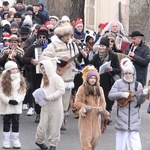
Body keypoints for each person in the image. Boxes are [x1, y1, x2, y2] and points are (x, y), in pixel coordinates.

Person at [40, 22, 79, 130]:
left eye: (69, 35)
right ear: (60, 36)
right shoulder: (53, 45)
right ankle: (54, 121)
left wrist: (82, 55)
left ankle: (62, 119)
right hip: (57, 77)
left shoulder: (72, 45)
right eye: (66, 36)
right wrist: (56, 62)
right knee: (56, 101)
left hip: (69, 77)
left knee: (66, 102)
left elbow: (76, 59)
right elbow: (44, 58)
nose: (68, 37)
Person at [108, 57, 149, 150]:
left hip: (134, 119)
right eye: (126, 73)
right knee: (121, 146)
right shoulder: (118, 83)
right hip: (122, 118)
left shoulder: (137, 85)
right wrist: (121, 94)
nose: (128, 75)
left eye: (130, 73)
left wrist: (144, 95)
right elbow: (110, 95)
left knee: (136, 146)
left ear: (133, 74)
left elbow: (140, 102)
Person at [83, 36, 121, 121]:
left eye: (103, 46)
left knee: (108, 99)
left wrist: (112, 69)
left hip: (108, 81)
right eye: (100, 46)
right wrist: (85, 57)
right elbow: (90, 65)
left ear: (107, 47)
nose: (101, 48)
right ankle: (101, 114)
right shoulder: (96, 56)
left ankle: (107, 114)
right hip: (99, 81)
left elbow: (118, 69)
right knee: (99, 97)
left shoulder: (113, 56)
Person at [35, 58, 65, 150]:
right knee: (42, 125)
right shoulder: (44, 79)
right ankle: (39, 140)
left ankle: (53, 144)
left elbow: (61, 90)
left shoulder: (57, 78)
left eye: (44, 68)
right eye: (42, 69)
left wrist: (50, 97)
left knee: (55, 126)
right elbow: (41, 90)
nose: (43, 70)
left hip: (56, 106)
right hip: (45, 106)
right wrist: (38, 99)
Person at [75, 65, 107, 150]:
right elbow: (77, 101)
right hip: (85, 119)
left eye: (94, 78)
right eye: (91, 78)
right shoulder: (82, 88)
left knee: (95, 140)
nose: (92, 80)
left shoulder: (99, 89)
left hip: (96, 119)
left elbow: (103, 101)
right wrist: (83, 107)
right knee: (86, 144)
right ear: (87, 78)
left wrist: (102, 108)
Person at [22, 26, 50, 122]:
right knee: (38, 92)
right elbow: (23, 58)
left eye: (43, 37)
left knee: (48, 93)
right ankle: (38, 113)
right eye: (40, 37)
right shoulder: (33, 47)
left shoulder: (50, 47)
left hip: (48, 74)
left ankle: (47, 113)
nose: (42, 39)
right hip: (36, 74)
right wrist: (32, 60)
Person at [0, 61, 27, 149]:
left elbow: (23, 92)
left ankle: (16, 139)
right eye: (13, 69)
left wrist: (18, 100)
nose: (15, 71)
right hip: (6, 105)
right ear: (8, 70)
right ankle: (6, 140)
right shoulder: (2, 80)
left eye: (16, 69)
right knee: (6, 122)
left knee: (16, 122)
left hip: (16, 104)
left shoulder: (20, 80)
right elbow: (1, 92)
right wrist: (8, 100)